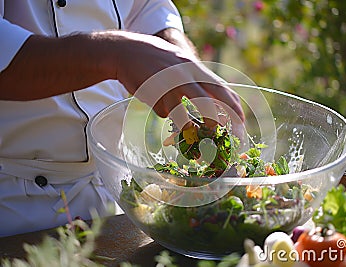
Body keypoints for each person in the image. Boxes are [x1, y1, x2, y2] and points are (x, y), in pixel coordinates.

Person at [0, 0, 244, 237]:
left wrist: (177, 58)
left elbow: (147, 7)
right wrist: (116, 54)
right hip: (13, 210)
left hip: (111, 196)